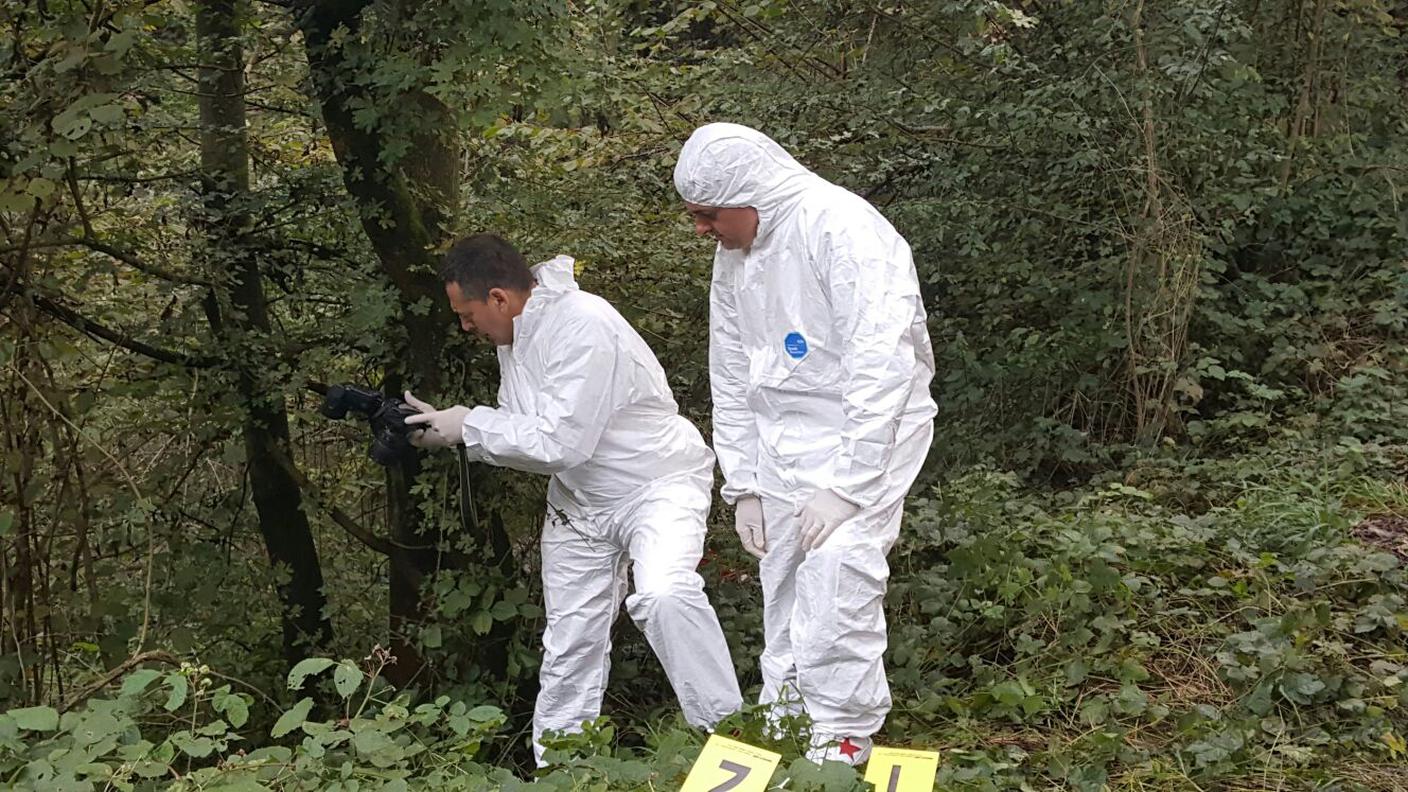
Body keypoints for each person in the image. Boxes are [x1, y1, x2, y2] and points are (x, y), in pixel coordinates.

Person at [403, 233, 742, 765]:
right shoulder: (515, 340)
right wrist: (451, 429)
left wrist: (470, 426)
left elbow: (562, 441)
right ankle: (563, 768)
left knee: (663, 595)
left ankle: (734, 745)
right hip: (580, 504)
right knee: (570, 642)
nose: (465, 327)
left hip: (656, 484)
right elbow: (528, 429)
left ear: (498, 298)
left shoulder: (585, 324)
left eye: (467, 314)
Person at [673, 122, 937, 765]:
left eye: (708, 215)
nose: (702, 229)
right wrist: (745, 486)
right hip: (782, 449)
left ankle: (841, 743)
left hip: (864, 440)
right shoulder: (736, 255)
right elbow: (730, 371)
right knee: (785, 580)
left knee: (838, 578)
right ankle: (789, 724)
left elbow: (883, 364)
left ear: (748, 194)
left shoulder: (842, 228)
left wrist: (848, 486)